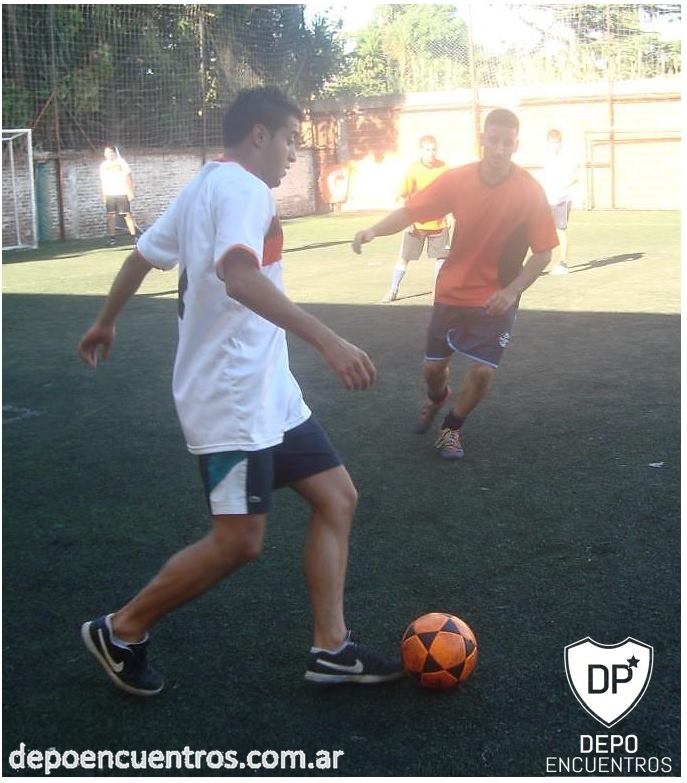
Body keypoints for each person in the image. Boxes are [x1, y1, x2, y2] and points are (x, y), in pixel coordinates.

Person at [77, 87, 402, 696]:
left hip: (270, 390)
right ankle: (120, 630)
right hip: (229, 399)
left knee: (337, 497)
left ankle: (331, 648)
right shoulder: (244, 189)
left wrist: (105, 320)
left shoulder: (205, 184)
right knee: (238, 541)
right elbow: (239, 277)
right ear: (259, 135)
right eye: (290, 140)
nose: (293, 155)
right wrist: (328, 340)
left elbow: (142, 257)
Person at [353, 108, 559, 461]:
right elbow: (410, 212)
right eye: (493, 140)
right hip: (452, 291)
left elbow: (544, 253)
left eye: (507, 142)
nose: (499, 149)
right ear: (482, 140)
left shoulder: (529, 190)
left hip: (497, 298)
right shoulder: (458, 180)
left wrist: (511, 291)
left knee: (483, 372)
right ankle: (437, 398)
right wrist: (373, 230)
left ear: (516, 144)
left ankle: (451, 428)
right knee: (433, 371)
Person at [381, 135, 451, 303]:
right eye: (427, 149)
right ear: (421, 150)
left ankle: (437, 292)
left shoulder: (444, 168)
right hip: (416, 225)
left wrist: (451, 216)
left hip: (439, 224)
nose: (431, 153)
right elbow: (401, 196)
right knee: (404, 257)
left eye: (434, 149)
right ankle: (393, 290)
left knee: (442, 259)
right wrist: (408, 220)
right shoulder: (413, 169)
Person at [541, 129, 578, 275]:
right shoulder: (547, 158)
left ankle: (563, 264)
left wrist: (562, 186)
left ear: (560, 143)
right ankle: (540, 263)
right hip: (549, 199)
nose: (554, 146)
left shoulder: (567, 158)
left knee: (560, 230)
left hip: (562, 199)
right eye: (552, 143)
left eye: (557, 143)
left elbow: (575, 177)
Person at [100, 145, 139, 246]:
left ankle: (134, 236)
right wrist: (103, 194)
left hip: (122, 192)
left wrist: (130, 191)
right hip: (110, 194)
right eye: (105, 153)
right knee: (110, 216)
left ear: (114, 153)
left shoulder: (122, 163)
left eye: (109, 152)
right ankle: (112, 239)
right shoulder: (103, 165)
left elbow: (128, 177)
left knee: (127, 215)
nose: (107, 154)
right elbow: (103, 181)